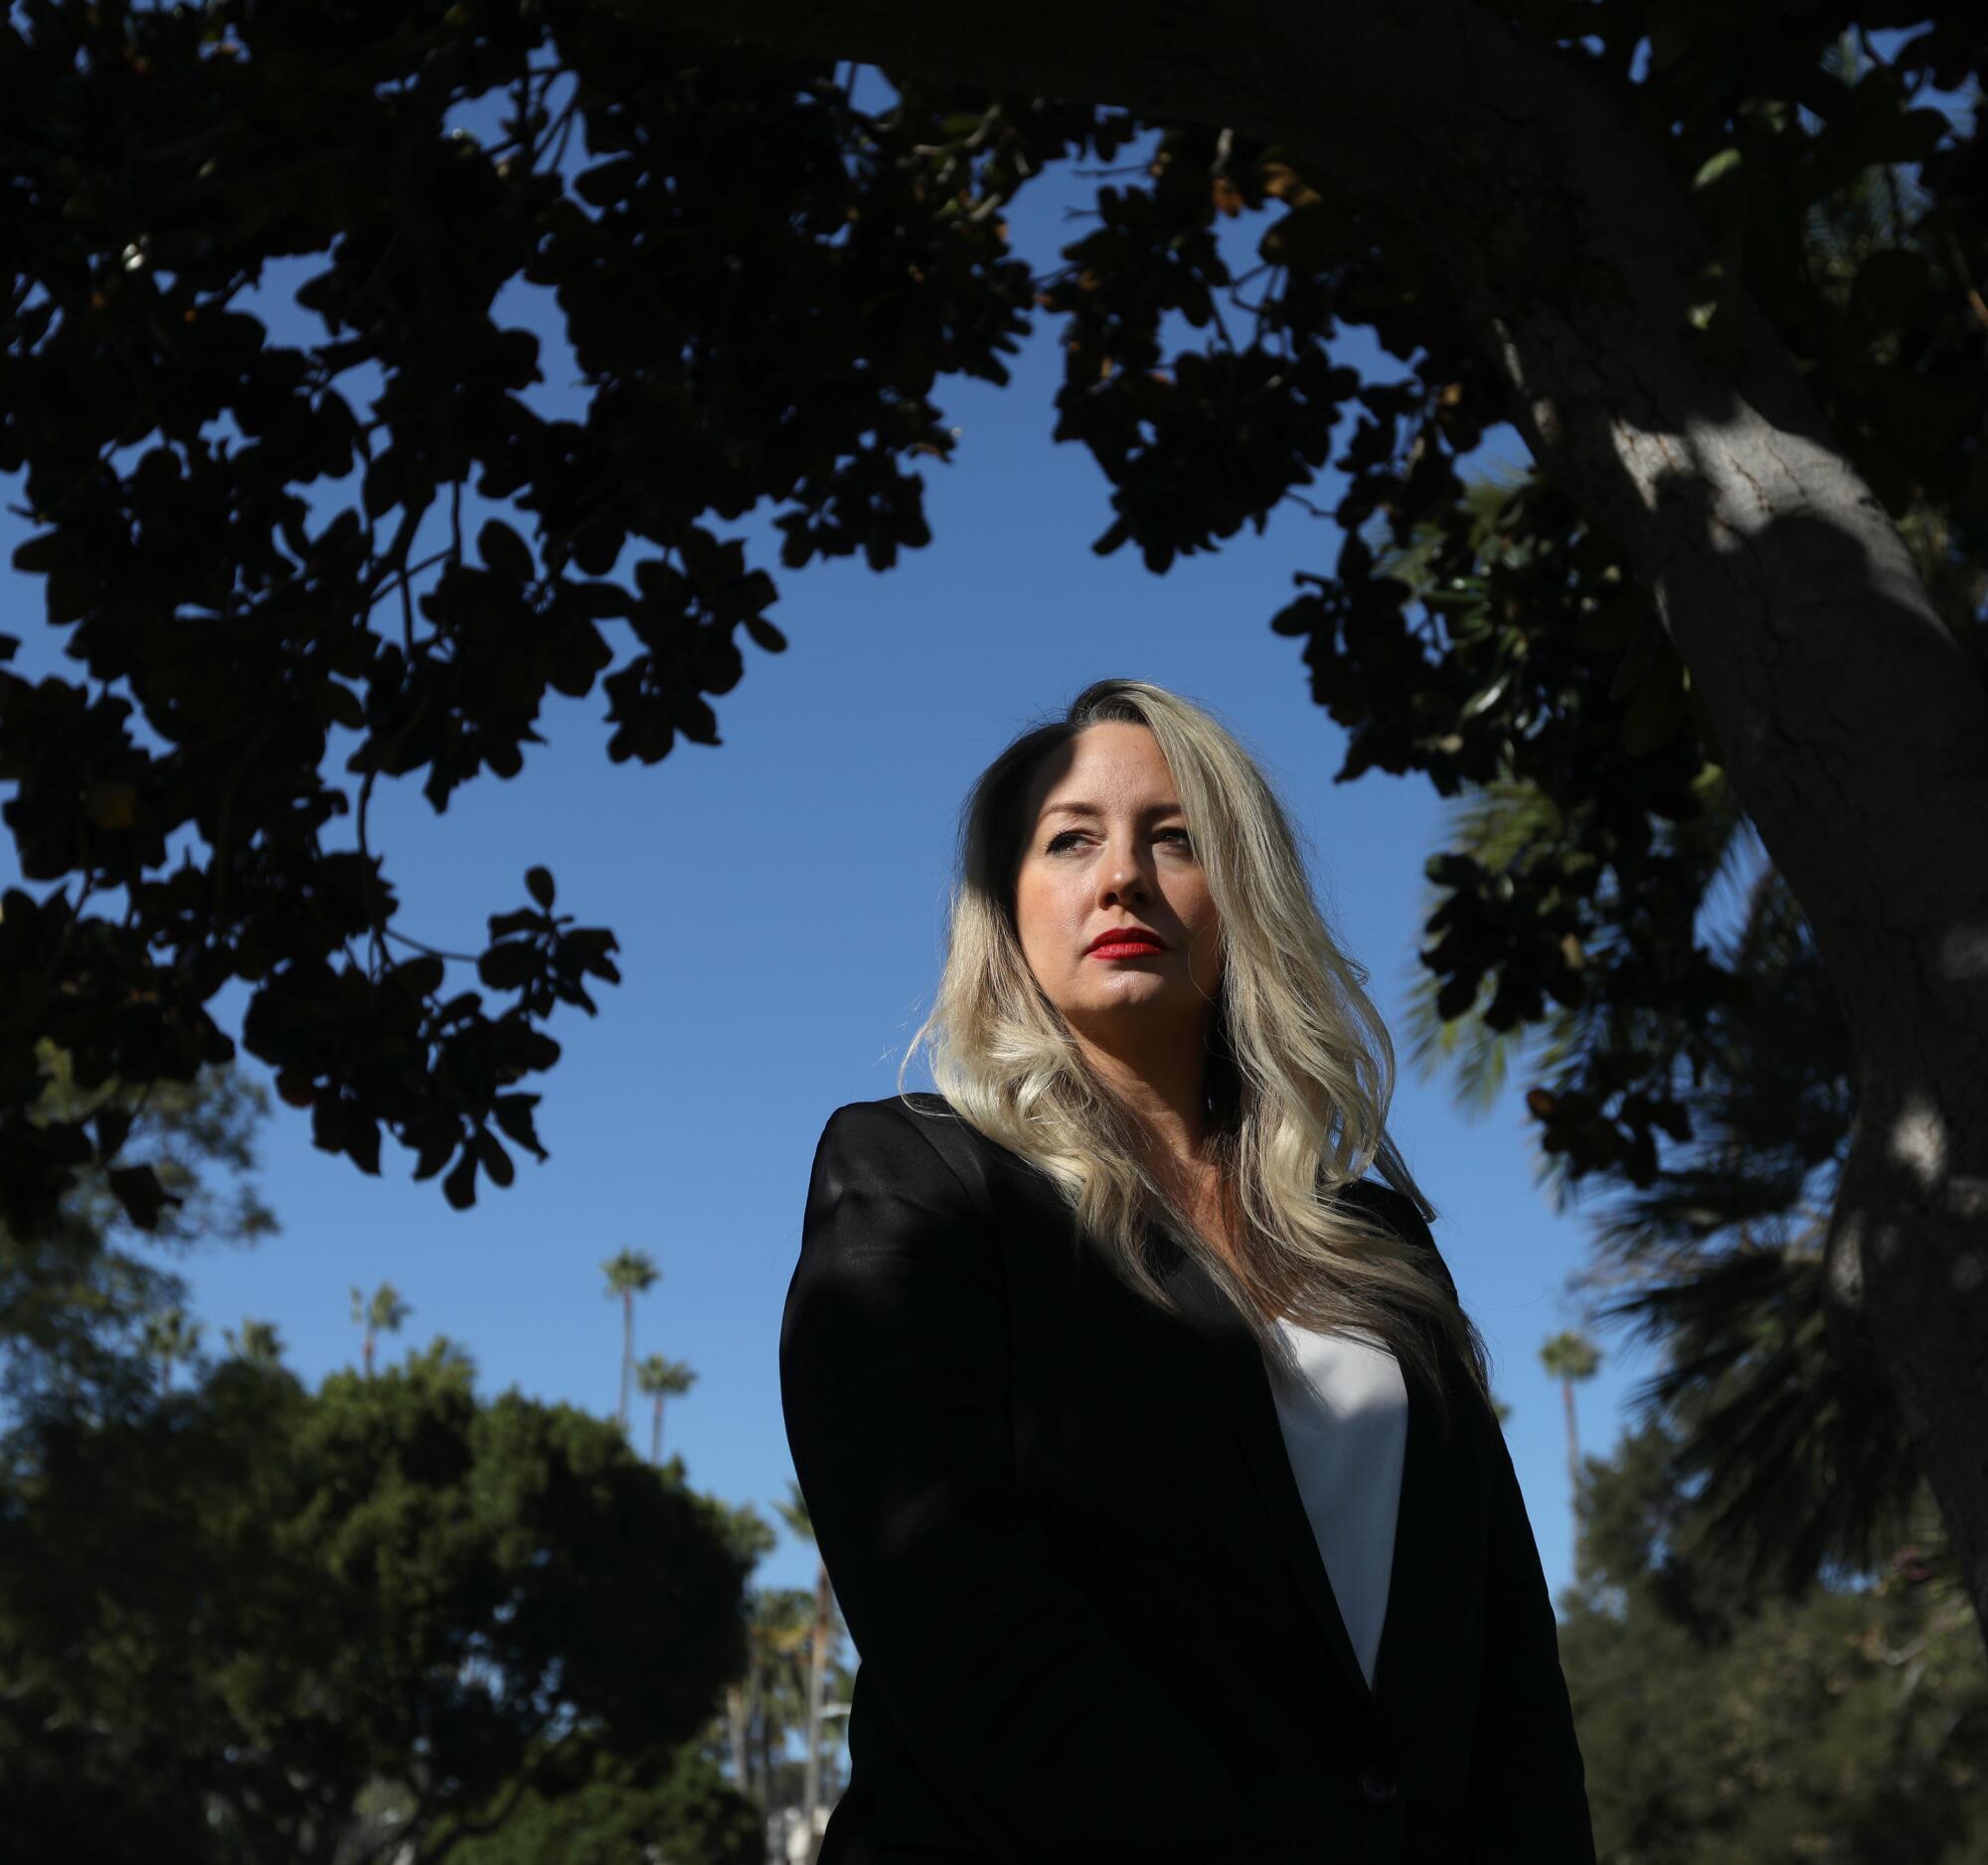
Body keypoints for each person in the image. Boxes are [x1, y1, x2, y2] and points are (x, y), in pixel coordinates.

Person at [780, 678, 1595, 1864]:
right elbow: (958, 1618)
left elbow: (1504, 1662)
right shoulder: (917, 1177)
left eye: (1175, 838)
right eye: (1070, 840)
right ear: (1004, 912)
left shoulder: (1375, 1239)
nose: (1122, 877)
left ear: (1239, 892)